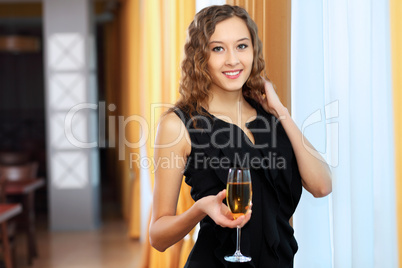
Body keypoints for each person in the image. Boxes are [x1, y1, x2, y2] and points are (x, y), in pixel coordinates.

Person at [149, 4, 332, 268]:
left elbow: (322, 186)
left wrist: (281, 112)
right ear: (199, 57)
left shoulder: (270, 117)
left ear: (253, 51)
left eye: (242, 46)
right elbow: (158, 237)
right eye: (218, 48)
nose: (233, 60)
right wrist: (200, 208)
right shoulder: (178, 125)